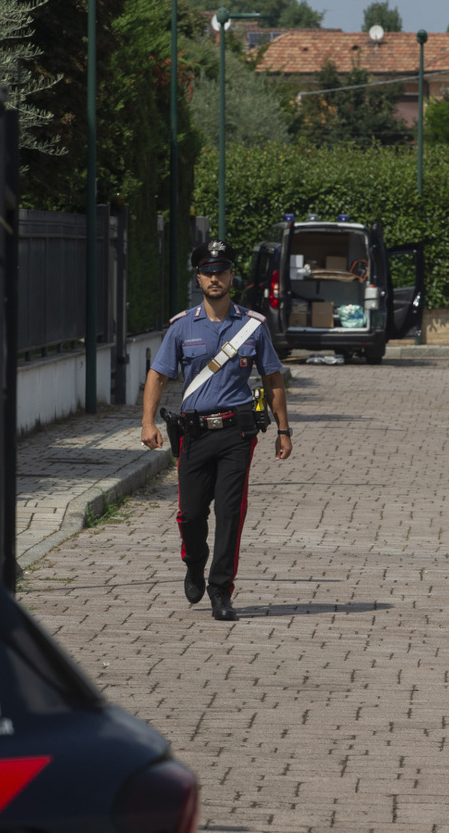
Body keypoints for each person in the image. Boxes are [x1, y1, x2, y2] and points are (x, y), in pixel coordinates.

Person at [141, 240, 292, 621]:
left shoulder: (252, 327)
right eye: (208, 271)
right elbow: (157, 375)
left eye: (221, 271)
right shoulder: (181, 328)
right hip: (194, 434)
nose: (214, 277)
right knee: (191, 514)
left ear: (230, 276)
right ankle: (194, 562)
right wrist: (146, 422)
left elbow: (273, 378)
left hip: (236, 434)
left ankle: (221, 590)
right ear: (199, 277)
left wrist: (283, 430)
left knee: (230, 513)